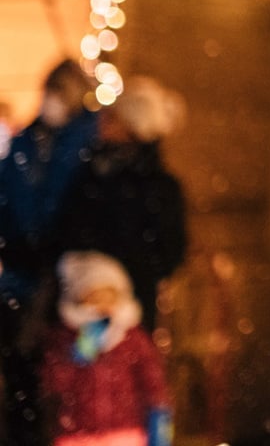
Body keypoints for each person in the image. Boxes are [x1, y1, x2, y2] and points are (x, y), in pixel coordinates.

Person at [0, 61, 102, 446]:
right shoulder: (29, 141)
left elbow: (77, 205)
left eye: (58, 94)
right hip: (22, 269)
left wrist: (56, 245)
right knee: (19, 364)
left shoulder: (85, 145)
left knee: (62, 368)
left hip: (64, 274)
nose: (50, 102)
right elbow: (9, 194)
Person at [57, 77, 188, 331]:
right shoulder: (92, 170)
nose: (102, 122)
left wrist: (118, 277)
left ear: (131, 127)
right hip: (80, 305)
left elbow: (169, 254)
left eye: (112, 117)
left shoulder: (159, 188)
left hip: (128, 314)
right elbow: (66, 226)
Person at [38, 250, 172, 446]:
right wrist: (79, 353)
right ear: (79, 300)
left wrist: (159, 413)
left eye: (108, 298)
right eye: (94, 298)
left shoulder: (133, 338)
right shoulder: (64, 337)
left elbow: (152, 379)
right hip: (78, 434)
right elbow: (53, 384)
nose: (102, 307)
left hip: (125, 431)